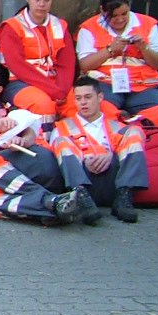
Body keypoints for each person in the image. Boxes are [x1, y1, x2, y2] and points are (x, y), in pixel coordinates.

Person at [50, 77, 149, 223]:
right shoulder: (61, 128)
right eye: (78, 98)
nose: (83, 102)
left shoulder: (116, 126)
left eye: (88, 97)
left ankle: (125, 196)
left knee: (135, 132)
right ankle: (81, 197)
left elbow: (131, 149)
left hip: (115, 183)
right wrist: (84, 159)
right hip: (82, 185)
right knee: (61, 141)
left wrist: (111, 155)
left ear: (100, 97)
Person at [75, 0, 158, 116]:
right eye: (113, 16)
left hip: (144, 85)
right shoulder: (89, 27)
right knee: (101, 113)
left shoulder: (148, 24)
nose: (120, 19)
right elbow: (85, 65)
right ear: (102, 11)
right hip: (105, 84)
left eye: (124, 14)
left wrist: (143, 48)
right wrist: (109, 50)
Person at [0, 0, 77, 118]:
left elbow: (67, 64)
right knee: (44, 106)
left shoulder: (60, 25)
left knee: (75, 105)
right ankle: (42, 140)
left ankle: (70, 139)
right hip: (18, 82)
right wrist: (53, 91)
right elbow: (18, 66)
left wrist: (62, 91)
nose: (41, 4)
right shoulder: (12, 27)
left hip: (56, 84)